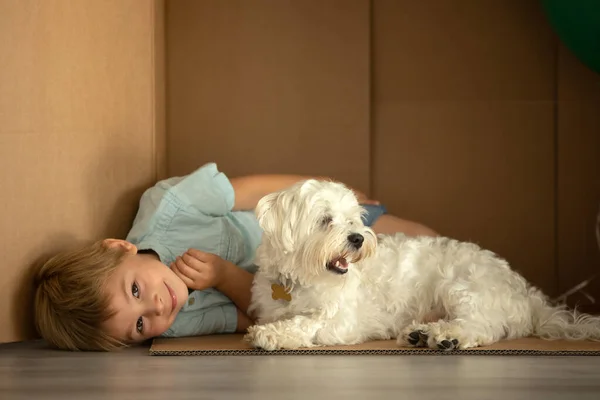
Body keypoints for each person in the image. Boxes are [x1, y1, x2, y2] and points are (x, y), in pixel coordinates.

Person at [33, 163, 438, 351]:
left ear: (120, 247)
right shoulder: (177, 325)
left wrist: (331, 190)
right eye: (139, 325)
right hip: (318, 287)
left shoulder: (168, 207)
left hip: (317, 224)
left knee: (427, 240)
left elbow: (250, 190)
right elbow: (258, 317)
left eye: (135, 288)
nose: (156, 307)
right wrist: (226, 277)